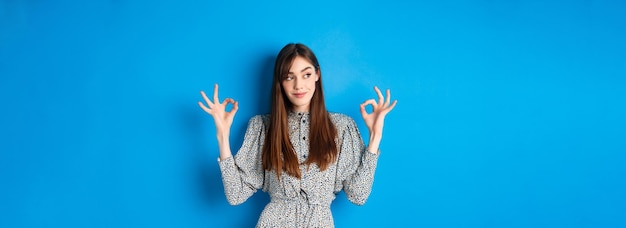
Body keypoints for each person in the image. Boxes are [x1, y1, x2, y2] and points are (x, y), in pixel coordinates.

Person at [198, 43, 397, 227]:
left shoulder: (341, 127)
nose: (299, 85)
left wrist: (375, 137)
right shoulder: (262, 127)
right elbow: (235, 195)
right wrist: (222, 136)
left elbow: (358, 195)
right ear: (280, 82)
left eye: (306, 74)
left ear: (317, 75)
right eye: (289, 76)